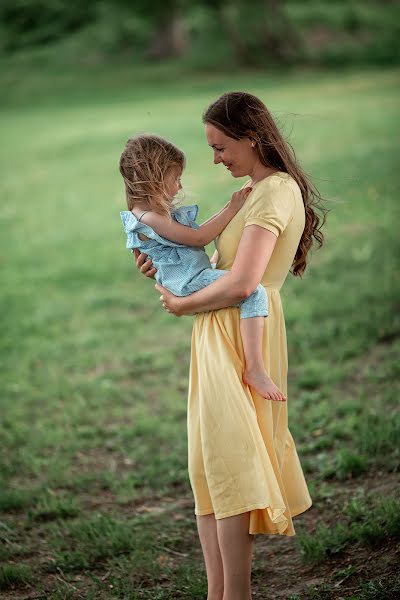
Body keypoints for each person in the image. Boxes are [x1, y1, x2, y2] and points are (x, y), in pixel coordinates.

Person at [133, 92, 327, 600]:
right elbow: (210, 264)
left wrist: (180, 305)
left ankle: (235, 594)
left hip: (242, 334)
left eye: (220, 147)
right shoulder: (254, 191)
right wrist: (164, 264)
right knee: (210, 466)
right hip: (216, 332)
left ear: (252, 137)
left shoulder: (275, 192)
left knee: (234, 465)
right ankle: (217, 593)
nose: (215, 159)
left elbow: (245, 284)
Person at [119, 134, 286, 402]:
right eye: (175, 178)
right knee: (253, 291)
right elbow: (198, 238)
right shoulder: (149, 218)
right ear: (154, 177)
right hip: (188, 282)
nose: (180, 185)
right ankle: (254, 369)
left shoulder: (144, 214)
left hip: (189, 274)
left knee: (240, 283)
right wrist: (232, 208)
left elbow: (186, 244)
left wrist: (229, 209)